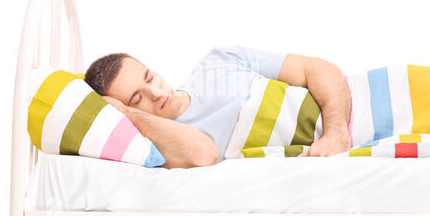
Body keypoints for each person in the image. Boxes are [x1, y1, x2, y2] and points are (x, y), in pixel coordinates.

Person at [84, 46, 352, 168]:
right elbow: (204, 154)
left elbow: (318, 68)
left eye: (149, 77)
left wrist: (336, 132)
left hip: (356, 100)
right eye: (137, 98)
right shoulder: (162, 146)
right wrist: (127, 115)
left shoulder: (218, 61)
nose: (155, 92)